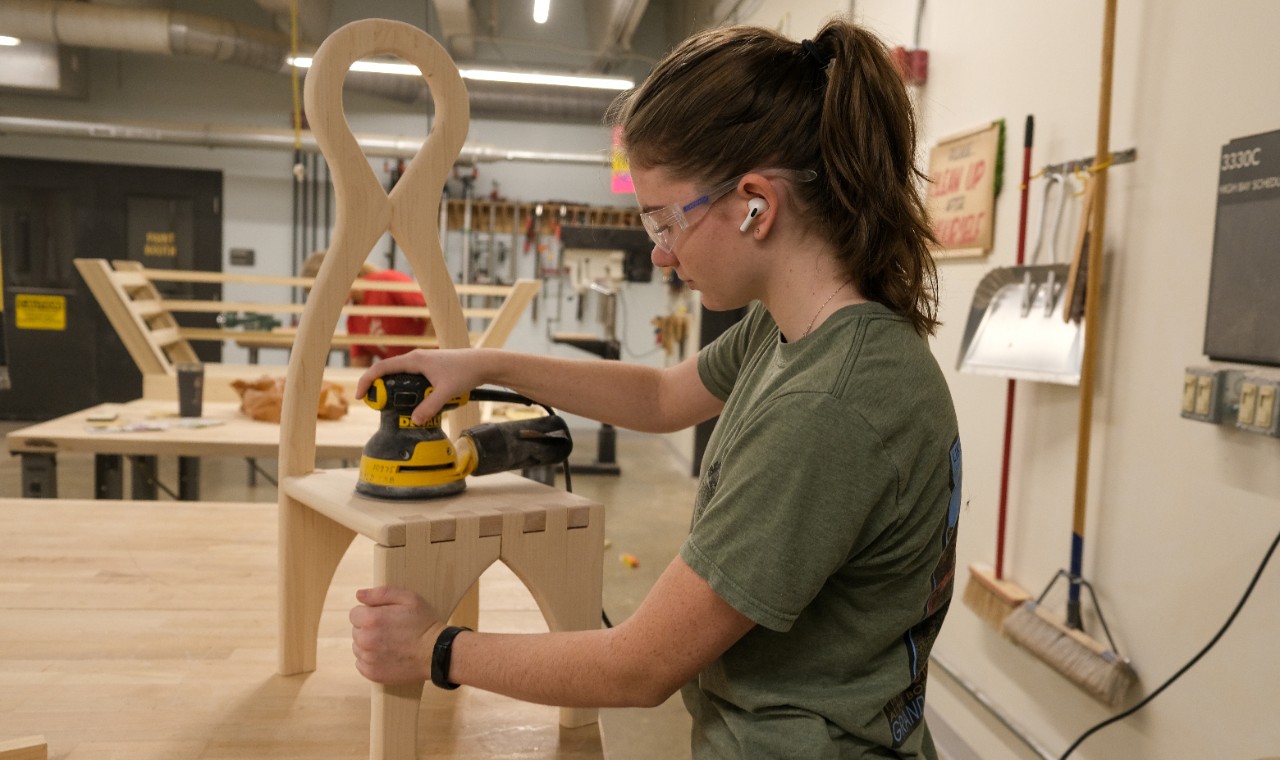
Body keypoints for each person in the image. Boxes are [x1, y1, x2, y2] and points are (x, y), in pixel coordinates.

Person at [349, 17, 960, 759]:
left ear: (755, 205)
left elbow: (642, 667)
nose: (660, 253)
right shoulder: (805, 331)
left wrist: (433, 649)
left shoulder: (827, 406)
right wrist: (484, 364)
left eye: (666, 220)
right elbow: (663, 397)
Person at [300, 251, 434, 368]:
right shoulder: (354, 322)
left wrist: (417, 364)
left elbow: (436, 319)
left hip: (434, 370)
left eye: (324, 296)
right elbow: (358, 369)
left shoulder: (387, 283)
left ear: (336, 275)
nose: (325, 304)